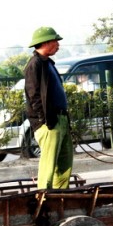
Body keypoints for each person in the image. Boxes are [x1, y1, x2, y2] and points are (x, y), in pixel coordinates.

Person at [23, 26, 74, 189]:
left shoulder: (47, 63)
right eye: (55, 41)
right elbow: (34, 96)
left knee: (65, 163)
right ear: (45, 42)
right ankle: (43, 199)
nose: (58, 45)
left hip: (60, 119)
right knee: (49, 164)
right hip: (49, 123)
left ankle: (61, 198)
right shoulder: (34, 64)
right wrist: (45, 120)